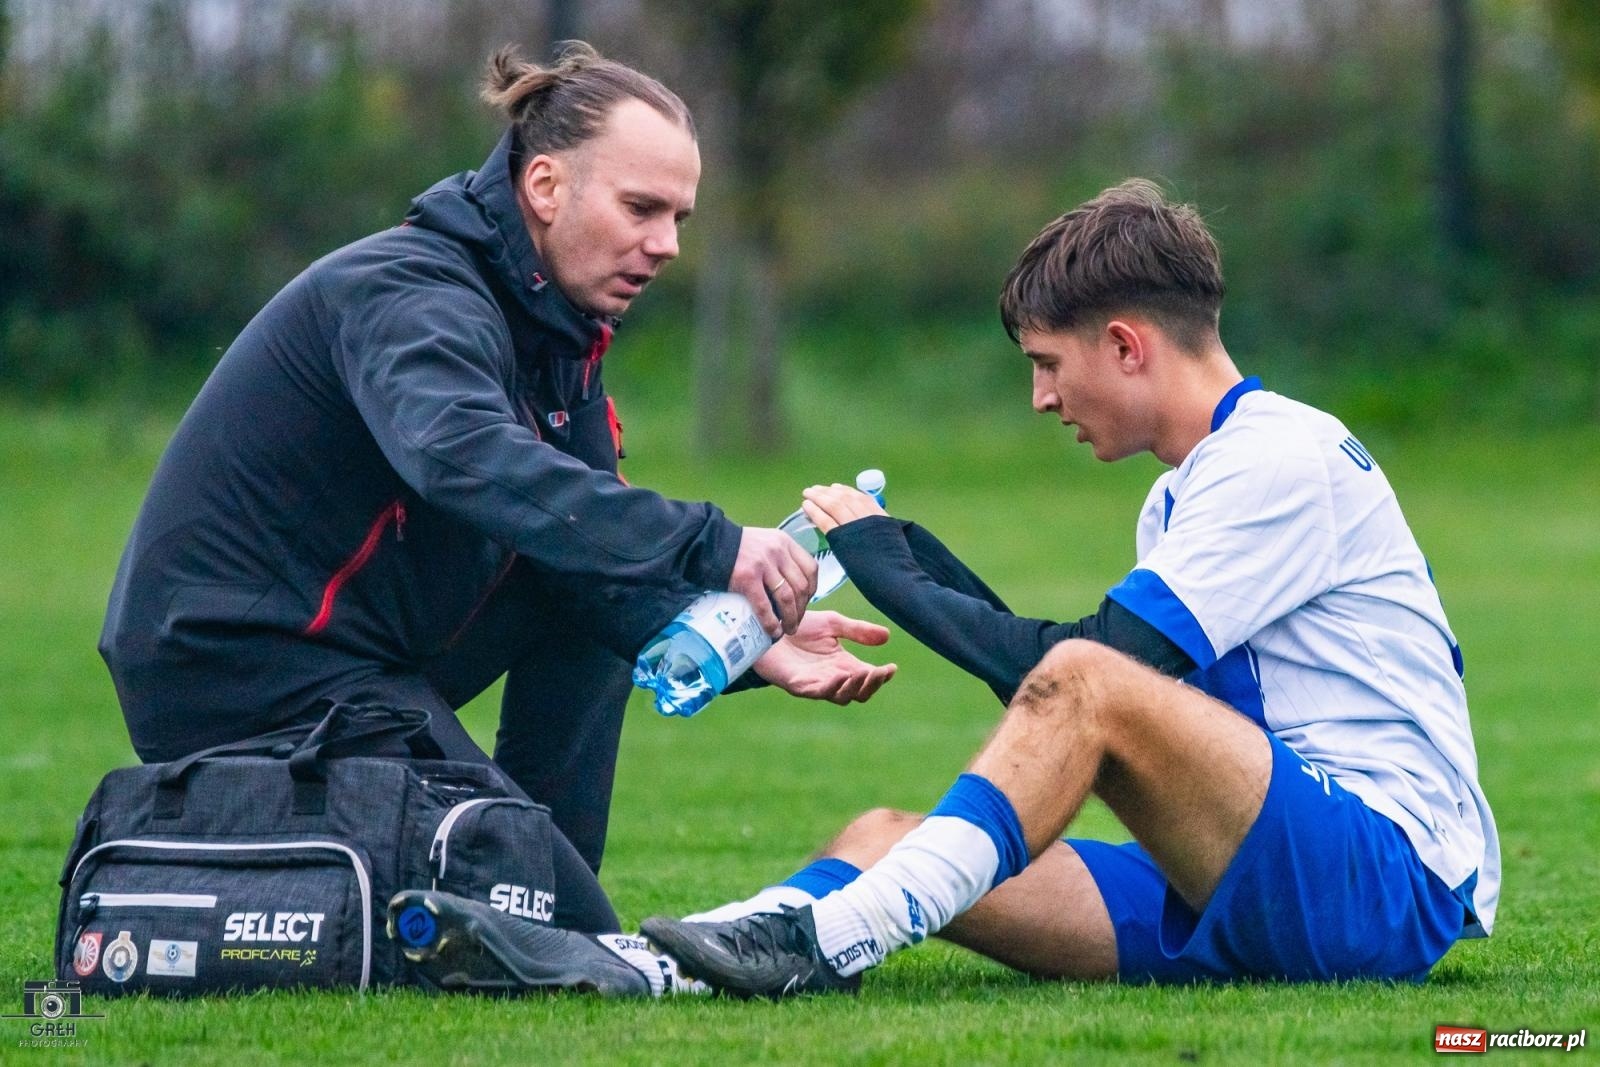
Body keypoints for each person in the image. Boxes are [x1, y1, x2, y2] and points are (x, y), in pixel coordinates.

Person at [98, 41, 895, 949]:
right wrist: (718, 543)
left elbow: (594, 543)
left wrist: (745, 640)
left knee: (593, 578)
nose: (667, 244)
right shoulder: (412, 292)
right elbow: (460, 456)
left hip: (361, 659)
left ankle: (534, 872)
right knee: (569, 930)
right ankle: (523, 892)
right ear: (547, 187)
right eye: (641, 208)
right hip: (241, 669)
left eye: (678, 216)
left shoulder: (559, 328)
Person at [640, 179, 1499, 993]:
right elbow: (1056, 696)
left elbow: (1093, 675)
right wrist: (910, 558)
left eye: (1047, 363)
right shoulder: (1183, 490)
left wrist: (890, 573)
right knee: (878, 840)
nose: (1042, 397)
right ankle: (644, 965)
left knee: (1088, 677)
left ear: (1125, 346)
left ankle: (827, 944)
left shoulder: (1277, 459)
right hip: (1255, 873)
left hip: (1377, 882)